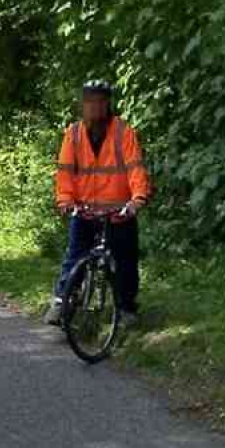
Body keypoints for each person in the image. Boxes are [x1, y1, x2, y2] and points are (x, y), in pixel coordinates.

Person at [44, 80, 152, 328]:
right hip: (85, 210)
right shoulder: (73, 134)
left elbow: (135, 169)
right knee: (74, 256)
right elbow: (65, 172)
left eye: (99, 101)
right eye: (89, 102)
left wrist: (137, 200)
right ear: (83, 105)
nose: (94, 107)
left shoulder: (123, 132)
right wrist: (65, 201)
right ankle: (62, 301)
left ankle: (126, 308)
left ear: (107, 104)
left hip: (118, 211)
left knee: (125, 260)